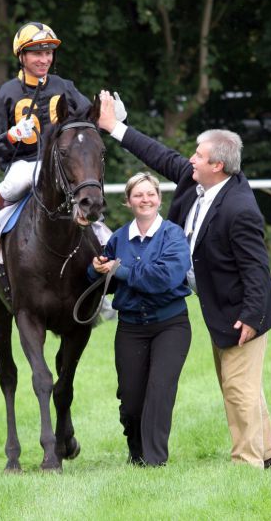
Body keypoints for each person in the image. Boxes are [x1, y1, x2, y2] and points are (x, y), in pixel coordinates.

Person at [97, 91, 271, 470]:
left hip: (241, 309)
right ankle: (268, 451)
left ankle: (247, 463)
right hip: (218, 304)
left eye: (198, 155)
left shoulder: (240, 208)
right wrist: (114, 127)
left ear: (217, 164)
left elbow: (256, 269)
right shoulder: (195, 180)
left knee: (237, 386)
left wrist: (250, 317)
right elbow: (158, 154)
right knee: (241, 383)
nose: (190, 160)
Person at [88, 172, 192, 467]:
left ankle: (156, 462)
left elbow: (164, 278)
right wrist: (94, 269)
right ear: (128, 201)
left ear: (159, 199)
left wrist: (119, 271)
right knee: (131, 400)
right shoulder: (118, 238)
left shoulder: (173, 235)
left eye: (150, 194)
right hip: (131, 327)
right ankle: (137, 455)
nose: (145, 199)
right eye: (138, 195)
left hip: (170, 325)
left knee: (159, 391)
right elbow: (99, 279)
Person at [0, 21, 93, 211]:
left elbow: (90, 118)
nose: (44, 60)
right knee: (17, 183)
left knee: (88, 185)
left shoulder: (64, 86)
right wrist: (12, 135)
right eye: (37, 53)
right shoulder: (4, 95)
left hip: (62, 160)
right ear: (22, 56)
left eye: (48, 53)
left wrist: (114, 116)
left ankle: (100, 231)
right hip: (23, 164)